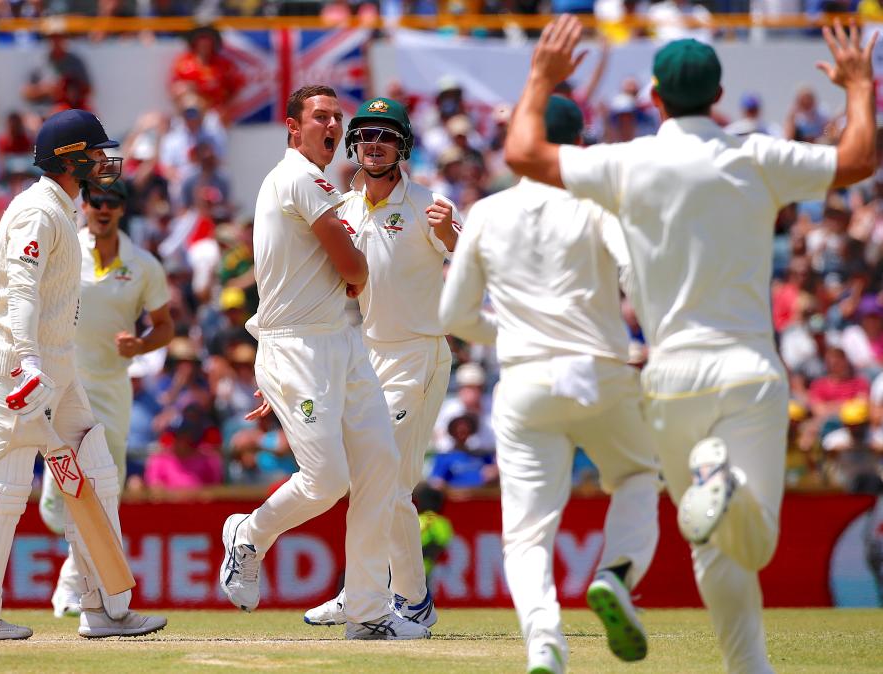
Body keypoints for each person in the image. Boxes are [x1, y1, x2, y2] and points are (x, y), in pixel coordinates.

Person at [503, 16, 877, 673]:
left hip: (670, 378)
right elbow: (859, 159)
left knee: (714, 546)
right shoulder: (753, 154)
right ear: (718, 95)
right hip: (746, 370)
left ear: (653, 99)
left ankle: (749, 667)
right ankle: (721, 481)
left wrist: (541, 79)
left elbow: (526, 155)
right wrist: (857, 86)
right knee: (749, 546)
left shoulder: (627, 162)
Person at [442, 94, 661, 673]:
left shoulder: (487, 213)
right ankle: (616, 573)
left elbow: (455, 317)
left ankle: (545, 645)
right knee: (639, 474)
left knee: (527, 534)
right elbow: (636, 274)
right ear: (576, 145)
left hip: (525, 380)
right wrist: (653, 340)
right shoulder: (597, 202)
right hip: (601, 370)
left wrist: (510, 333)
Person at [218, 85, 429, 640]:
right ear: (293, 128)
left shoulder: (321, 184)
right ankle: (249, 534)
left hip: (340, 342)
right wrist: (279, 362)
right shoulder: (299, 177)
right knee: (327, 480)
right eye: (320, 117)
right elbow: (354, 270)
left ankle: (365, 610)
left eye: (337, 117)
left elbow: (334, 277)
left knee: (380, 468)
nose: (332, 126)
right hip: (300, 347)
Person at [0, 108, 166, 640]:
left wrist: (44, 360)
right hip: (19, 364)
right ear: (70, 158)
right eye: (95, 152)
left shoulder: (60, 208)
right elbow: (22, 292)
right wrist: (28, 359)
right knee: (3, 491)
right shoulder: (38, 211)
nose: (104, 160)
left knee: (96, 474)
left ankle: (105, 609)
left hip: (56, 366)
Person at [301, 97, 460, 630]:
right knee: (378, 486)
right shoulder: (342, 209)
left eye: (385, 136)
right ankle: (388, 596)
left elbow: (469, 270)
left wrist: (452, 238)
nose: (374, 144)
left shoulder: (429, 205)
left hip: (419, 355)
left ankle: (387, 597)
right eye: (365, 135)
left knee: (382, 483)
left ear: (403, 146)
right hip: (365, 357)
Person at [38, 179, 174, 618]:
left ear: (121, 210)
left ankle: (70, 587)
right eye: (95, 200)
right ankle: (74, 582)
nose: (102, 208)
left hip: (113, 386)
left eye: (111, 202)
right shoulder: (67, 251)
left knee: (102, 484)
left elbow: (165, 326)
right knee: (62, 488)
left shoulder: (144, 264)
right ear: (85, 206)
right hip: (65, 377)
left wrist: (141, 346)